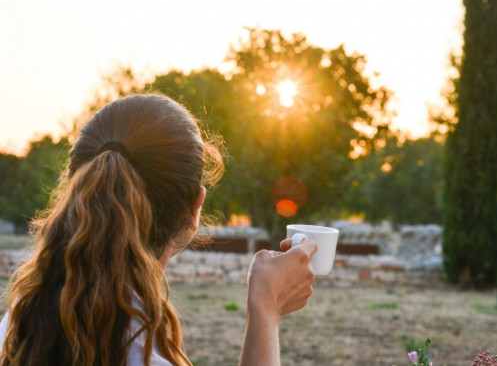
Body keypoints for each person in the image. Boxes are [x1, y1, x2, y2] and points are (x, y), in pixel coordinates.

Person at [0, 93, 317, 366]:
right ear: (195, 208)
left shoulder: (18, 323)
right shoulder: (144, 354)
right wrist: (265, 309)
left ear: (76, 190)